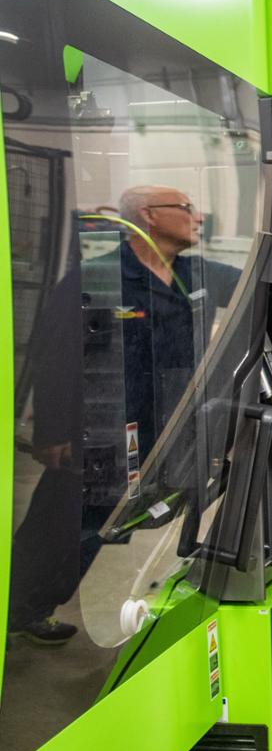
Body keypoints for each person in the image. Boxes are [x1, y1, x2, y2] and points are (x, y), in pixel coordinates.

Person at [8, 185, 240, 644]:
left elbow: (265, 278)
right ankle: (14, 610)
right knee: (59, 531)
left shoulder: (195, 273)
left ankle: (31, 609)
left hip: (161, 432)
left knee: (101, 531)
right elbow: (54, 357)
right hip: (94, 434)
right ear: (150, 216)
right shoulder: (96, 277)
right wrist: (51, 432)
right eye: (187, 208)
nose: (198, 217)